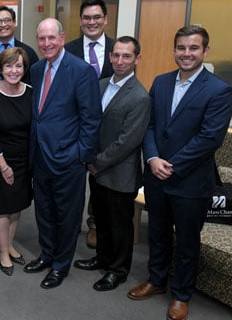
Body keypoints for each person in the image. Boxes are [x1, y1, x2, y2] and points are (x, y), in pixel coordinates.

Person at [127, 26, 232, 320]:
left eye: (193, 48)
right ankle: (156, 280)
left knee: (187, 240)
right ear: (174, 50)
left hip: (190, 181)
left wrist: (171, 164)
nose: (186, 54)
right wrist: (153, 158)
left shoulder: (219, 89)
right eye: (181, 48)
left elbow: (210, 138)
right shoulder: (160, 83)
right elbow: (149, 125)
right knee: (158, 234)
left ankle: (182, 294)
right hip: (156, 175)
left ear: (205, 51)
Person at [24, 18, 102, 289]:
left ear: (63, 37)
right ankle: (46, 255)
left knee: (67, 215)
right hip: (40, 156)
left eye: (51, 38)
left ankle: (60, 265)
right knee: (43, 211)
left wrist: (81, 155)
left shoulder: (81, 71)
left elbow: (91, 118)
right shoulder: (35, 69)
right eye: (42, 38)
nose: (46, 43)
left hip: (69, 158)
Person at [73, 36, 150, 291]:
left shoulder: (140, 96)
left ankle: (118, 270)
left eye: (126, 56)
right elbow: (91, 123)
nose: (120, 60)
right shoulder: (102, 84)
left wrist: (97, 162)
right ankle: (102, 258)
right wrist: (90, 157)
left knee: (120, 225)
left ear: (137, 59)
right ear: (110, 57)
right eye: (116, 55)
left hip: (119, 173)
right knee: (102, 218)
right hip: (97, 170)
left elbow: (128, 141)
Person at [64, 0, 115, 249]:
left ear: (105, 19)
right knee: (73, 177)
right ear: (81, 21)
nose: (91, 22)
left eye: (97, 17)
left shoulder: (118, 50)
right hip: (72, 126)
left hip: (105, 127)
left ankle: (94, 222)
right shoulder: (69, 49)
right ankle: (70, 222)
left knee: (99, 175)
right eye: (87, 18)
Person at [0, 47, 33, 276]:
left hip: (23, 161)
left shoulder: (31, 92)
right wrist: (4, 167)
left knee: (16, 206)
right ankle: (3, 251)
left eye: (19, 65)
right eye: (9, 66)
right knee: (2, 209)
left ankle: (10, 244)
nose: (14, 70)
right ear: (0, 69)